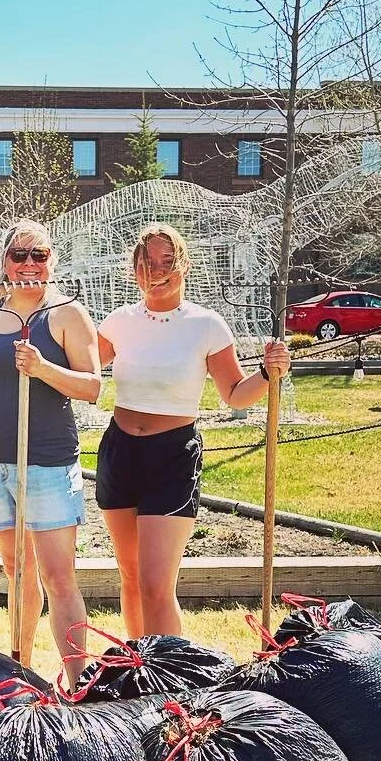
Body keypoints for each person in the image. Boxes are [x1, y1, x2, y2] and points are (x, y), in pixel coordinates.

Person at [95, 222, 290, 638]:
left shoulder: (206, 325)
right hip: (119, 452)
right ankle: (137, 670)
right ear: (135, 270)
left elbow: (235, 394)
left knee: (156, 585)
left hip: (172, 456)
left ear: (184, 266)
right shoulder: (118, 322)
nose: (158, 270)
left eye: (168, 261)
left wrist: (269, 372)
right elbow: (80, 367)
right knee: (129, 577)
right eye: (148, 262)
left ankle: (174, 681)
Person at [0, 220, 101, 682]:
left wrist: (42, 368)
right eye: (20, 255)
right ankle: (21, 671)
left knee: (58, 578)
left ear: (52, 260)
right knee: (17, 571)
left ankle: (78, 681)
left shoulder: (66, 314)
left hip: (47, 464)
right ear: (5, 261)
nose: (30, 264)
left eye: (40, 255)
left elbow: (93, 386)